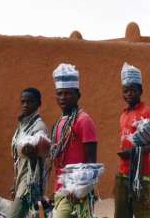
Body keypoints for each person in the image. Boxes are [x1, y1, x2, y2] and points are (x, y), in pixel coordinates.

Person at [114, 63, 150, 218]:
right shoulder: (124, 114)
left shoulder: (147, 112)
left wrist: (136, 152)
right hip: (123, 174)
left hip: (140, 175)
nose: (129, 94)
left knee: (142, 214)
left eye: (133, 90)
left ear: (140, 91)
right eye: (126, 91)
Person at [50, 63, 98, 218]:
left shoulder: (83, 120)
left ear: (78, 95)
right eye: (59, 93)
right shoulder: (59, 123)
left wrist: (81, 188)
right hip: (61, 189)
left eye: (68, 93)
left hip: (76, 189)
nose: (63, 97)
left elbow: (91, 159)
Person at [8, 88, 50, 218]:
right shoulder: (23, 125)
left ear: (39, 104)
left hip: (30, 181)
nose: (25, 105)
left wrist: (32, 153)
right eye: (23, 102)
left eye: (30, 101)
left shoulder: (39, 126)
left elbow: (42, 157)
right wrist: (15, 183)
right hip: (21, 177)